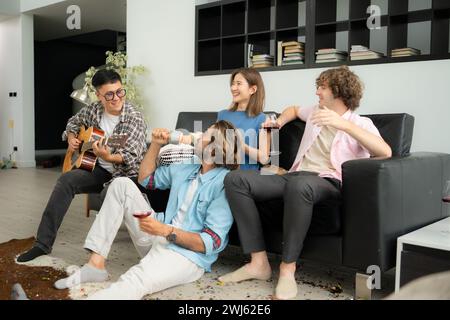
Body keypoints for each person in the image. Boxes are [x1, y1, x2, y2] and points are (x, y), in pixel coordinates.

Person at [218, 66, 392, 299]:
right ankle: (258, 262)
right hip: (294, 175)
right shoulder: (315, 112)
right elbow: (292, 110)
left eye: (322, 88)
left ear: (339, 92)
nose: (317, 92)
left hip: (328, 181)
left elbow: (385, 152)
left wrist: (343, 125)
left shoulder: (360, 123)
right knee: (236, 179)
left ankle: (288, 270)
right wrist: (278, 122)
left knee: (300, 186)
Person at [52, 120, 241, 300]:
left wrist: (166, 231)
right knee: (121, 184)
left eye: (205, 135)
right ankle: (96, 265)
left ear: (218, 147)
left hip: (187, 256)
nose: (198, 137)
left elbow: (211, 243)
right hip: (158, 235)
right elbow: (145, 180)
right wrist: (156, 145)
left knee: (136, 279)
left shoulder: (224, 184)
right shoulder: (187, 167)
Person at [17, 69, 148, 263]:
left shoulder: (134, 118)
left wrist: (108, 155)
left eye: (120, 91)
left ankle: (96, 259)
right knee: (66, 180)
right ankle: (42, 244)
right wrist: (71, 138)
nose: (116, 98)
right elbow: (73, 123)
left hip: (125, 175)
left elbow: (129, 157)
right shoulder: (93, 110)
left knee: (108, 195)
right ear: (99, 96)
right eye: (109, 94)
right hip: (98, 168)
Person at [177, 68, 270, 170]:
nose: (233, 88)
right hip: (220, 173)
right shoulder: (223, 115)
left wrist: (239, 145)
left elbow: (264, 158)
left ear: (252, 89)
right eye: (233, 84)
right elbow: (212, 144)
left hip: (244, 176)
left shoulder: (262, 119)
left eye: (238, 84)